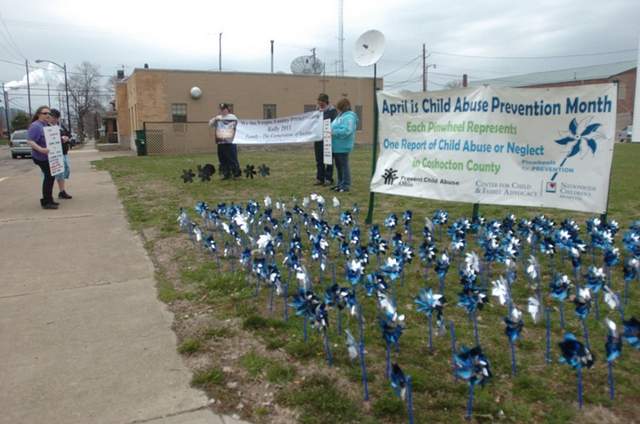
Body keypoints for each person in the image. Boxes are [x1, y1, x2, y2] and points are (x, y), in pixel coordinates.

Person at [26, 105, 58, 209]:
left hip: (49, 156)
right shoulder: (36, 126)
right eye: (45, 113)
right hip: (40, 157)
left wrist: (62, 138)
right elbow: (30, 141)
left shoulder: (46, 125)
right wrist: (41, 149)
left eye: (49, 113)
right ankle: (46, 202)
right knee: (48, 177)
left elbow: (52, 139)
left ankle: (49, 199)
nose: (48, 115)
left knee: (51, 176)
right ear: (39, 114)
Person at [331, 98, 358, 193]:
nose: (338, 110)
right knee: (339, 166)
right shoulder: (340, 116)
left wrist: (333, 132)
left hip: (343, 145)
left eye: (339, 108)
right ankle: (340, 183)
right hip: (336, 146)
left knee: (343, 165)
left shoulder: (349, 117)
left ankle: (346, 184)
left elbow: (347, 130)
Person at [209, 103, 241, 179]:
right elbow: (210, 124)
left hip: (230, 142)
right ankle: (226, 174)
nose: (223, 111)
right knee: (222, 158)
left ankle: (236, 174)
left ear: (227, 109)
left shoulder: (233, 117)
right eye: (221, 109)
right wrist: (214, 119)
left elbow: (239, 125)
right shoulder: (218, 118)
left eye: (224, 109)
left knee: (232, 158)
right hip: (220, 142)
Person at [313, 93, 337, 186]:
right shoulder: (316, 111)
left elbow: (333, 123)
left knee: (328, 159)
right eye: (319, 101)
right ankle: (320, 178)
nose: (320, 103)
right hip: (318, 138)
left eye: (322, 101)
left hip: (327, 138)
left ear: (326, 101)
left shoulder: (332, 111)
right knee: (319, 159)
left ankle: (328, 178)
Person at [49, 109, 72, 199]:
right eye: (53, 117)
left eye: (56, 118)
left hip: (64, 152)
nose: (55, 120)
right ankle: (57, 192)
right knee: (56, 173)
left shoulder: (61, 126)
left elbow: (69, 134)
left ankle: (62, 191)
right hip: (54, 154)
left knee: (65, 170)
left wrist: (67, 138)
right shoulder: (47, 127)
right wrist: (61, 138)